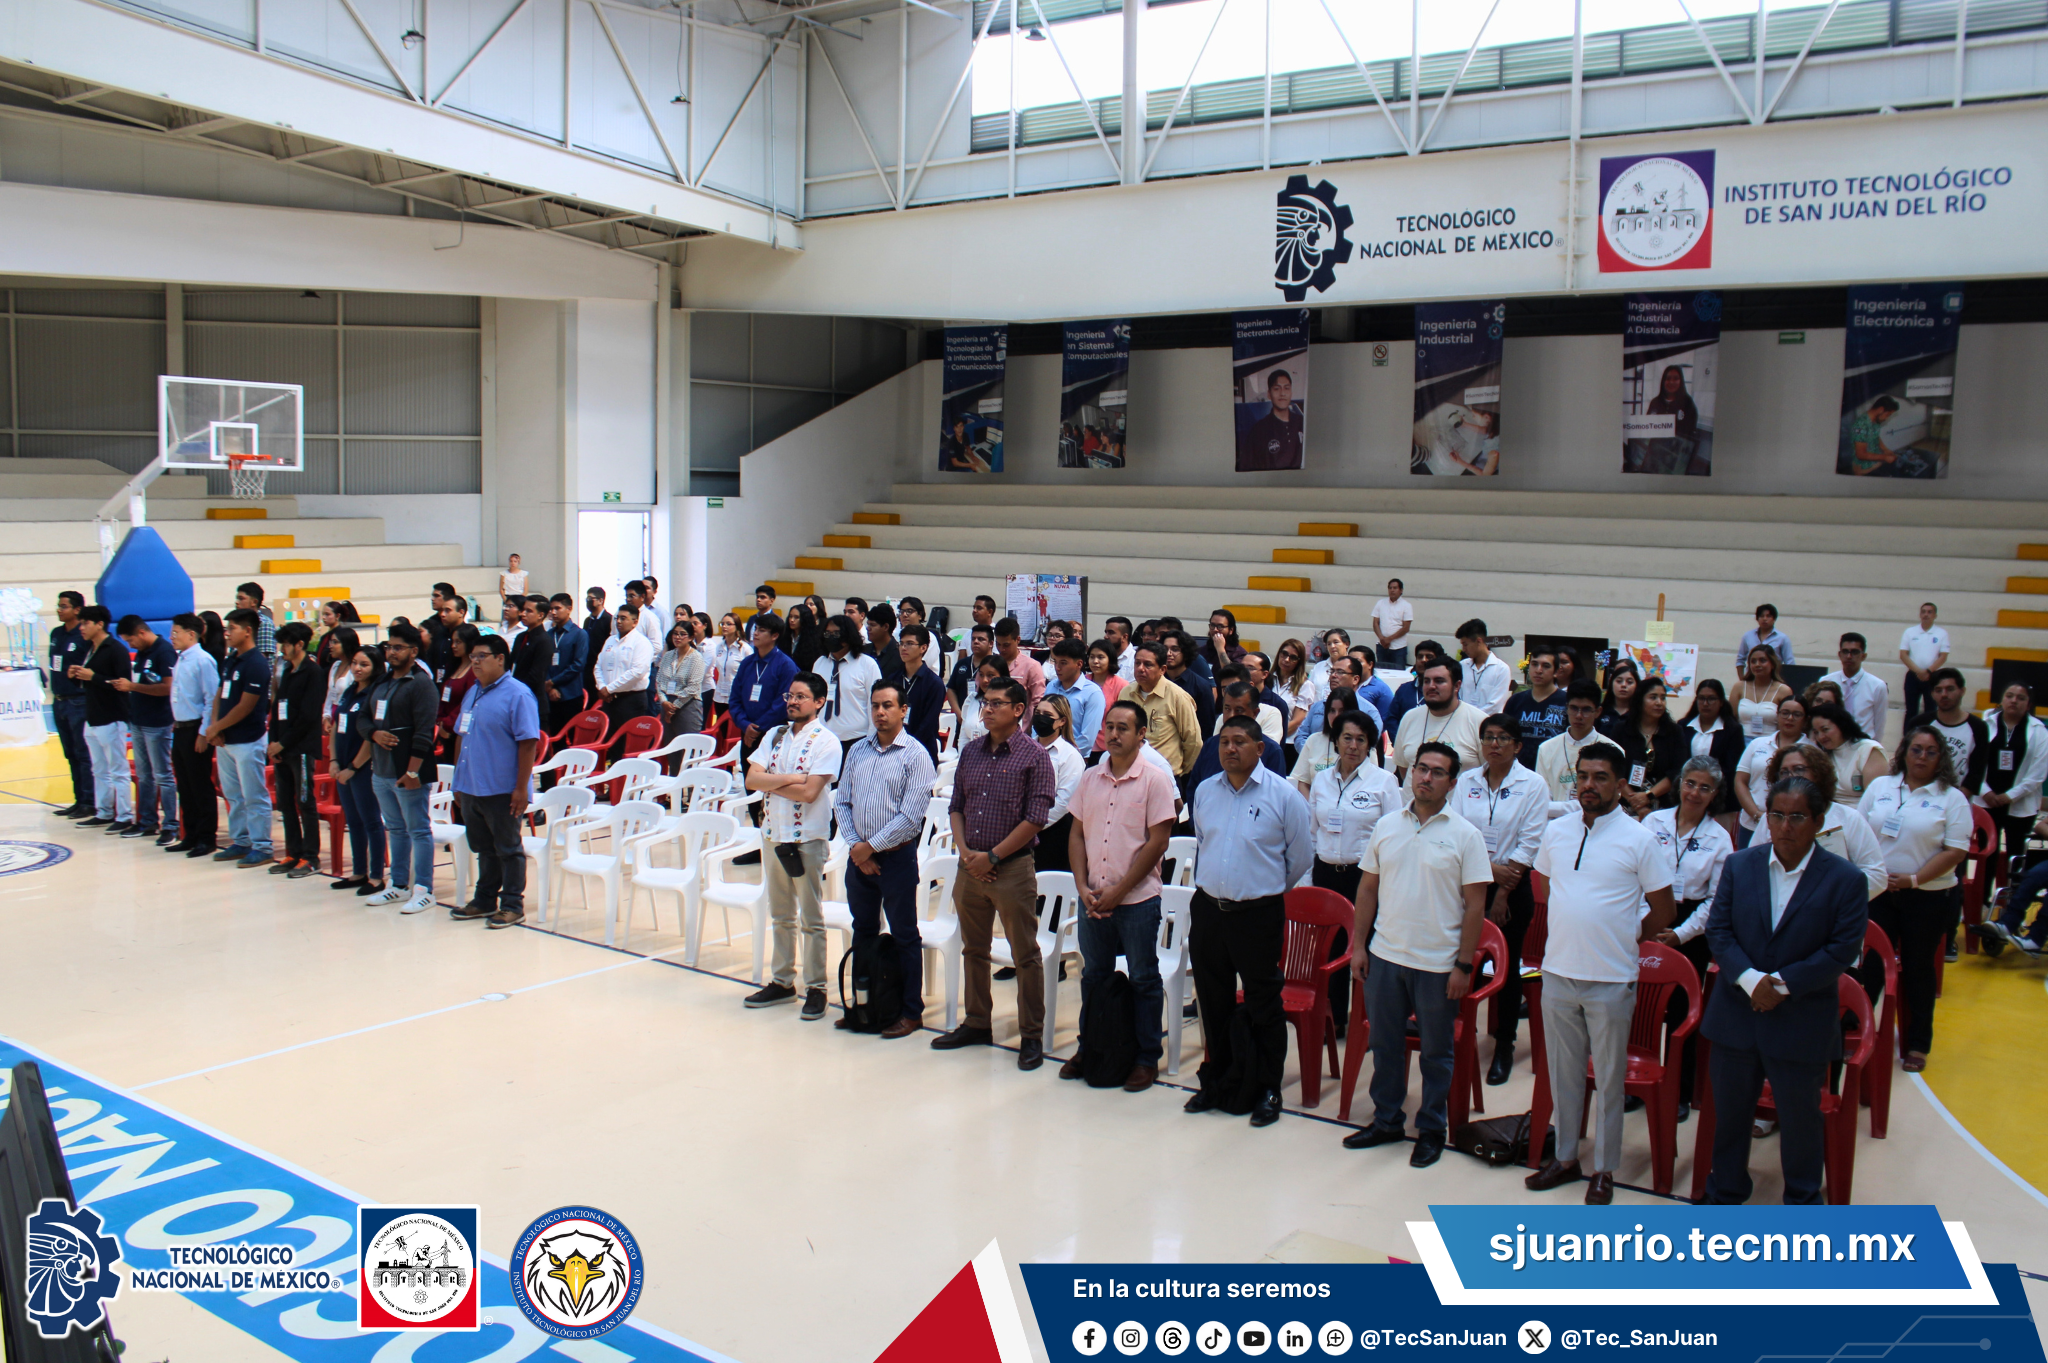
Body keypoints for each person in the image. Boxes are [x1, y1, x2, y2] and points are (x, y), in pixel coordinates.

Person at [1699, 774, 1869, 1204]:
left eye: (1797, 817)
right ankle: (1726, 1191)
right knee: (1731, 1116)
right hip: (1737, 1014)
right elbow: (1719, 931)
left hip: (1801, 1019)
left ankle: (1802, 1201)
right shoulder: (1740, 865)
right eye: (1777, 815)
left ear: (1818, 822)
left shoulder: (1846, 879)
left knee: (1800, 1120)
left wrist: (1781, 985)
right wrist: (1752, 981)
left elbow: (1841, 950)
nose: (1785, 826)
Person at [1525, 742, 1676, 1204]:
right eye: (1583, 776)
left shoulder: (1639, 839)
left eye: (1601, 777)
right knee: (1564, 1072)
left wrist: (1625, 937)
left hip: (1611, 977)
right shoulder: (1557, 831)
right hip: (1558, 972)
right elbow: (1547, 886)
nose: (1589, 785)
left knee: (1609, 1079)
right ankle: (1566, 1158)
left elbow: (1664, 909)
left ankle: (1605, 1169)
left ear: (1620, 785)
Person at [1341, 741, 1491, 1164]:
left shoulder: (1466, 836)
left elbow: (1475, 907)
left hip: (1438, 965)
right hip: (1386, 957)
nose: (1425, 777)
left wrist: (1464, 965)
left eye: (1437, 772)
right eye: (1421, 768)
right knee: (1385, 1045)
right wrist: (1359, 947)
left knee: (1436, 1054)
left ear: (1452, 783)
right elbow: (1367, 890)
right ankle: (1387, 1120)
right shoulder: (1387, 825)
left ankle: (1431, 1128)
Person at [1184, 716, 1314, 1126]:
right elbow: (1204, 843)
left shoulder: (1284, 796)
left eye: (1239, 741)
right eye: (1224, 741)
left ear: (1260, 748)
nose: (1230, 749)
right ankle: (1218, 1080)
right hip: (1209, 910)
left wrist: (1264, 888)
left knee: (1263, 1002)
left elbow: (1300, 858)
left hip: (1258, 914)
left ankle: (1268, 1087)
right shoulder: (1205, 790)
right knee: (1213, 1000)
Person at [932, 677, 1056, 1068]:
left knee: (1025, 955)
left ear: (1018, 710)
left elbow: (1035, 819)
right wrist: (968, 852)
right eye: (985, 702)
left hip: (1012, 869)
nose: (986, 709)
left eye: (996, 703)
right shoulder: (971, 751)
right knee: (974, 949)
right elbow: (956, 805)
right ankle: (977, 1022)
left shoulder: (1035, 757)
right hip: (969, 866)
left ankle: (1031, 1034)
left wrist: (993, 857)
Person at [1061, 698, 1181, 1089]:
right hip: (1093, 898)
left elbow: (1158, 842)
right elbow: (1076, 834)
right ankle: (1090, 1047)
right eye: (1109, 727)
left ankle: (1146, 1058)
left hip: (1137, 901)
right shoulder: (1090, 778)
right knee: (1093, 976)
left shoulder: (1155, 780)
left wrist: (1120, 890)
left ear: (1141, 734)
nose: (1113, 734)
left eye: (1123, 728)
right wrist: (1082, 886)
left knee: (1144, 978)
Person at [1858, 727, 1972, 1072]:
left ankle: (1918, 1044)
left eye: (1931, 751)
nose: (1922, 757)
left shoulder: (1952, 798)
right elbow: (1859, 832)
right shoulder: (1881, 787)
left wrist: (1914, 879)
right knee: (1870, 966)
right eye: (1916, 749)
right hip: (1879, 893)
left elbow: (1956, 851)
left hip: (1927, 896)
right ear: (1904, 751)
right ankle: (1857, 1029)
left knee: (1918, 968)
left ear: (1941, 759)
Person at [833, 678, 937, 1039]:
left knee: (905, 935)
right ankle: (864, 1007)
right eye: (875, 706)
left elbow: (910, 818)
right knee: (862, 931)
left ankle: (910, 1012)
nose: (880, 712)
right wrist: (856, 847)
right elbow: (841, 801)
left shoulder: (916, 755)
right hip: (859, 858)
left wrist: (870, 847)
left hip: (895, 859)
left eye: (888, 705)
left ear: (903, 710)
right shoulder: (858, 750)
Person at [1456, 714, 1550, 1084]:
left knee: (1507, 971)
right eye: (1488, 737)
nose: (1494, 744)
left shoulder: (1533, 784)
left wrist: (1503, 891)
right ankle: (1459, 1033)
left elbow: (1530, 841)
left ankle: (1504, 1044)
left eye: (1503, 738)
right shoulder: (1467, 781)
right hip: (1469, 884)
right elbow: (1458, 833)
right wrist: (1492, 871)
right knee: (1463, 962)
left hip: (1512, 888)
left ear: (1518, 745)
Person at [1645, 756, 1736, 1115]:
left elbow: (1716, 900)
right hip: (1647, 916)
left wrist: (1681, 934)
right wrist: (1645, 924)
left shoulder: (1720, 839)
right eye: (1690, 783)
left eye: (1705, 788)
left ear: (1715, 794)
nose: (1695, 793)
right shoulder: (1653, 822)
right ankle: (1637, 1081)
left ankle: (1680, 1090)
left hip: (1691, 928)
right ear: (1680, 784)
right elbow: (1632, 875)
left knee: (1683, 1011)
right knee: (1642, 1007)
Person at [444, 635, 542, 929]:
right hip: (471, 785)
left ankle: (512, 905)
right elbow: (462, 735)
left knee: (508, 849)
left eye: (481, 656)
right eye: (472, 656)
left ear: (500, 659)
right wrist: (458, 781)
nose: (475, 662)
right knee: (484, 847)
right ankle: (485, 900)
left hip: (502, 788)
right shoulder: (473, 691)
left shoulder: (518, 694)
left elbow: (528, 743)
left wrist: (521, 788)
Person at [357, 623, 439, 913]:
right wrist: (374, 734)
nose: (391, 652)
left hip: (408, 771)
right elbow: (362, 719)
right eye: (389, 647)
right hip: (381, 770)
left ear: (413, 651)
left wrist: (413, 771)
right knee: (395, 828)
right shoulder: (382, 682)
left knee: (418, 830)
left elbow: (424, 733)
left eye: (398, 647)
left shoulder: (421, 684)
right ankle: (399, 885)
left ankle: (424, 889)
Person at [1750, 744, 1888, 901]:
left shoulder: (1849, 818)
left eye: (1799, 769)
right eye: (1784, 772)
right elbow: (1752, 866)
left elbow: (1876, 876)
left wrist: (1833, 899)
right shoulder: (1770, 817)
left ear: (1818, 774)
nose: (1791, 776)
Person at [205, 608, 274, 869]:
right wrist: (215, 727)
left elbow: (245, 706)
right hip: (225, 740)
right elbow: (219, 695)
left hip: (248, 741)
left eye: (232, 628)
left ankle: (262, 846)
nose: (227, 633)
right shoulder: (231, 659)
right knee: (233, 794)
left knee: (254, 795)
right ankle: (241, 841)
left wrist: (216, 727)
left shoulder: (256, 664)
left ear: (247, 631)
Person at [328, 643, 388, 897]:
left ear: (376, 667)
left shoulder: (375, 695)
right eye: (354, 663)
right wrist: (333, 760)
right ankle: (358, 872)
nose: (357, 668)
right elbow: (335, 726)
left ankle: (376, 876)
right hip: (342, 766)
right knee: (353, 821)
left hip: (362, 768)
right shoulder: (349, 691)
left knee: (371, 821)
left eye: (364, 664)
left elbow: (371, 737)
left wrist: (354, 767)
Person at [113, 615, 179, 843]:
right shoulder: (142, 653)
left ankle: (170, 825)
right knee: (144, 776)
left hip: (157, 722)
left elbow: (168, 687)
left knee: (163, 775)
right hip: (138, 721)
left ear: (141, 633)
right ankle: (148, 821)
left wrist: (132, 686)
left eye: (130, 640)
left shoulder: (164, 651)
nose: (130, 645)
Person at [68, 605, 134, 832]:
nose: (81, 628)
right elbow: (89, 682)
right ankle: (104, 811)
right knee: (99, 769)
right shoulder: (91, 649)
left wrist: (93, 676)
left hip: (111, 717)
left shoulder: (116, 649)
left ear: (100, 624)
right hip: (93, 717)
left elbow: (123, 684)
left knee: (118, 769)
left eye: (85, 623)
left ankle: (124, 815)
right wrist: (76, 676)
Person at [267, 621, 324, 878]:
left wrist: (284, 742)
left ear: (299, 645)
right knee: (285, 803)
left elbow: (308, 716)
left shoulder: (313, 673)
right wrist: (274, 742)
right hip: (282, 748)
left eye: (286, 644)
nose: (282, 649)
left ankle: (311, 857)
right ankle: (293, 852)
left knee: (305, 802)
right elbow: (277, 708)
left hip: (300, 748)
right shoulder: (288, 671)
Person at [165, 614, 219, 857]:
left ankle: (207, 838)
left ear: (191, 634)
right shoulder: (181, 659)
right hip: (180, 727)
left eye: (176, 633)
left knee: (200, 785)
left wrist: (203, 733)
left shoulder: (203, 660)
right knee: (185, 785)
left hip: (196, 729)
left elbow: (211, 699)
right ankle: (191, 834)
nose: (172, 637)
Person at [1977, 682, 2048, 859]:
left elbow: (2037, 774)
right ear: (2002, 700)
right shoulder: (1984, 725)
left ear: (2029, 705)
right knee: (1986, 856)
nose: (2014, 700)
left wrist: (2009, 796)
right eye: (2009, 696)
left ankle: (2012, 879)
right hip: (1986, 801)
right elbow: (1972, 762)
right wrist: (1986, 792)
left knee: (2015, 857)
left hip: (2021, 805)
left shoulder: (2039, 731)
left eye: (2020, 698)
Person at [1393, 656, 1485, 790]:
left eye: (1439, 681)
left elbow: (1490, 771)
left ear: (1457, 686)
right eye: (1426, 681)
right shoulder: (1410, 717)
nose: (1431, 686)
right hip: (1412, 802)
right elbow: (1403, 767)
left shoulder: (1479, 721)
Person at [45, 590, 94, 816]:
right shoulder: (56, 633)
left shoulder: (83, 634)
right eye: (59, 605)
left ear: (77, 609)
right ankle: (78, 799)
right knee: (70, 753)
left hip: (78, 701)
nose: (59, 609)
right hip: (59, 700)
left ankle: (89, 801)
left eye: (63, 606)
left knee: (83, 753)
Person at [1736, 695, 1809, 843]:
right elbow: (1740, 781)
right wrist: (1756, 814)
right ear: (1777, 715)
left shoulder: (1811, 750)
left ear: (1806, 719)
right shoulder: (1757, 744)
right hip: (1751, 823)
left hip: (1792, 827)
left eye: (1796, 714)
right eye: (1785, 713)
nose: (1790, 718)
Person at [1030, 694, 1087, 874]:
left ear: (1062, 721)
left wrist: (1031, 826)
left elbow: (1064, 802)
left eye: (1047, 715)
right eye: (1038, 713)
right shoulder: (1026, 748)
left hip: (1054, 832)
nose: (1041, 718)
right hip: (1021, 829)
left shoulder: (1070, 756)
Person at [1129, 642, 1201, 779]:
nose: (1140, 669)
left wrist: (1181, 772)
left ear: (1162, 669)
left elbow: (1193, 741)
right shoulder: (1126, 693)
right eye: (1137, 663)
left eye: (1148, 665)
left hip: (1166, 776)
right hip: (1130, 774)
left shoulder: (1178, 697)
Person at [1620, 676, 1690, 816]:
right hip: (1626, 803)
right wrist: (1637, 804)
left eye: (1663, 698)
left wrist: (1649, 796)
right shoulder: (1622, 729)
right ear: (1640, 700)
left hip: (1663, 804)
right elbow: (1613, 769)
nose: (1659, 703)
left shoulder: (1674, 731)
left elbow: (1678, 770)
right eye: (1653, 697)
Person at [1681, 679, 1747, 828]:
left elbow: (1731, 768)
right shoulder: (1683, 726)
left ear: (1721, 702)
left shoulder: (1733, 730)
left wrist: (1709, 790)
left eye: (1711, 699)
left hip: (1721, 800)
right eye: (1702, 698)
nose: (1706, 703)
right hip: (1688, 796)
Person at [1905, 667, 1983, 790]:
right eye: (1938, 690)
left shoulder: (1978, 727)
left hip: (1958, 796)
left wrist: (1956, 799)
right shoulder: (1919, 723)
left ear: (1962, 691)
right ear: (1932, 694)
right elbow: (1906, 761)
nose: (1944, 695)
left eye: (1950, 689)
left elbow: (1976, 773)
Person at [1535, 681, 1606, 816]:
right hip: (1556, 824)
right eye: (1574, 708)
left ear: (1598, 712)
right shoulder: (1546, 749)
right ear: (1566, 708)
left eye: (1586, 710)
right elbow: (1541, 802)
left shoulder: (1612, 750)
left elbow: (1605, 801)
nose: (1579, 715)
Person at [814, 614, 881, 755]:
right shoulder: (820, 663)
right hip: (822, 739)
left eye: (836, 634)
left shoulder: (867, 664)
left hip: (856, 739)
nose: (831, 637)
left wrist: (872, 739)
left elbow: (875, 702)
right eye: (827, 633)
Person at [1808, 702, 1886, 807]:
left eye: (1825, 729)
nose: (1821, 737)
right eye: (1816, 732)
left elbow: (1875, 798)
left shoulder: (1868, 750)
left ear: (1841, 725)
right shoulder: (1823, 755)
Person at [1504, 647, 1569, 769]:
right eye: (1534, 664)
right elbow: (1505, 736)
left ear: (1556, 671)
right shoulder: (1515, 701)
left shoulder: (1566, 702)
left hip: (1555, 768)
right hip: (1519, 769)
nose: (1539, 670)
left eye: (1546, 666)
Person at [592, 605, 654, 729]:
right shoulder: (610, 640)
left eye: (623, 618)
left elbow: (637, 672)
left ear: (634, 622)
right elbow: (598, 666)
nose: (619, 621)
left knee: (628, 738)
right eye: (617, 618)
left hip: (630, 700)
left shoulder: (641, 642)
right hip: (609, 699)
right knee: (609, 737)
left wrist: (609, 689)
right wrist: (602, 687)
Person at [1821, 633, 1889, 745]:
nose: (1849, 656)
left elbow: (1879, 723)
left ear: (1863, 656)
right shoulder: (1826, 682)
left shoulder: (1877, 686)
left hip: (1862, 743)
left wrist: (1874, 746)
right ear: (1839, 654)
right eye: (1845, 651)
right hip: (1832, 743)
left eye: (1854, 652)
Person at [1041, 638, 1105, 752]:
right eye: (1055, 661)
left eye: (1063, 663)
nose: (1057, 667)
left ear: (1079, 664)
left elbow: (1087, 739)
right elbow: (1039, 721)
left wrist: (1061, 753)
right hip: (1044, 751)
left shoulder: (1093, 693)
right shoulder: (1051, 686)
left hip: (1074, 756)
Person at [894, 625, 946, 761]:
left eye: (909, 643)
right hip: (893, 748)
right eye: (901, 643)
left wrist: (908, 747)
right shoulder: (893, 679)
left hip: (922, 751)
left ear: (923, 648)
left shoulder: (934, 683)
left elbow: (929, 723)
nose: (903, 648)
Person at [1236, 368, 1304, 470]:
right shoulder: (1259, 430)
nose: (1282, 393)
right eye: (1277, 389)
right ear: (1269, 394)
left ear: (1291, 392)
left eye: (1286, 388)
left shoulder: (1303, 423)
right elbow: (1246, 467)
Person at [542, 594, 589, 733]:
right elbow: (543, 662)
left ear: (569, 609)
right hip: (550, 693)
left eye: (557, 608)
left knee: (572, 736)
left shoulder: (579, 634)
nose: (553, 612)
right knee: (554, 735)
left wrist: (553, 682)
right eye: (551, 609)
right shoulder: (549, 634)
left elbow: (578, 664)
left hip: (571, 694)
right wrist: (549, 686)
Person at [1385, 639, 1447, 742]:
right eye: (1420, 657)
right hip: (1406, 745)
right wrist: (1399, 742)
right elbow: (1392, 719)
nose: (1423, 660)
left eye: (1429, 657)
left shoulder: (1444, 691)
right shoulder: (1404, 690)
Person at [654, 620, 706, 741]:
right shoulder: (668, 655)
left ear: (691, 637)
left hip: (687, 705)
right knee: (669, 746)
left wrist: (674, 706)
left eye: (682, 634)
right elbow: (660, 681)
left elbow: (693, 687)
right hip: (667, 704)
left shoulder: (696, 658)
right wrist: (664, 702)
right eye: (675, 633)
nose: (678, 637)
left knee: (687, 746)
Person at [1898, 603, 1950, 722]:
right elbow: (1903, 654)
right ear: (1920, 614)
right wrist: (1918, 671)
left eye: (1929, 612)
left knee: (1931, 711)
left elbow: (1943, 656)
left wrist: (1928, 671)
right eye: (1923, 611)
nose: (1926, 614)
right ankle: (1909, 733)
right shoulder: (1910, 632)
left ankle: (1929, 733)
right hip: (1913, 676)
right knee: (1911, 711)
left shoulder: (1942, 633)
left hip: (1932, 677)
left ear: (1935, 615)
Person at [435, 624, 480, 752]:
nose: (453, 646)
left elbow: (468, 702)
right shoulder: (452, 666)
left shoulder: (474, 671)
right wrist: (440, 720)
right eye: (453, 641)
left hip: (459, 729)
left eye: (458, 642)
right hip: (443, 727)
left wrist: (448, 723)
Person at [1735, 644, 1793, 742]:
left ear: (1773, 664)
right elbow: (1731, 719)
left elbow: (1786, 723)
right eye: (1753, 661)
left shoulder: (1784, 691)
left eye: (1762, 660)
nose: (1757, 664)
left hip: (1770, 742)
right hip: (1741, 741)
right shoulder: (1739, 687)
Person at [508, 595, 553, 715]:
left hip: (532, 700)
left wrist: (514, 689)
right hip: (514, 695)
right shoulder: (520, 637)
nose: (523, 614)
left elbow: (536, 676)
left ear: (540, 615)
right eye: (523, 610)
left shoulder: (544, 641)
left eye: (529, 611)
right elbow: (511, 664)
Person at [1456, 619, 1511, 715]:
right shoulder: (1462, 666)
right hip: (1462, 720)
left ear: (1479, 641)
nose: (1463, 649)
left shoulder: (1501, 669)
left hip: (1488, 721)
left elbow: (1495, 705)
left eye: (1465, 644)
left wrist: (1471, 717)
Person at [990, 616, 1046, 710]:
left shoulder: (1031, 666)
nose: (1001, 649)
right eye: (998, 644)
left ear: (1018, 640)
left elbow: (1038, 701)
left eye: (1006, 645)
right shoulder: (992, 663)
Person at [1737, 604, 1795, 676]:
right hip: (1752, 677)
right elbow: (1740, 660)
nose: (1765, 619)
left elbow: (1790, 663)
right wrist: (1742, 680)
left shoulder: (1782, 638)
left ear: (1774, 619)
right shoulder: (1748, 636)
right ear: (1757, 619)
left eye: (1768, 616)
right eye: (1761, 616)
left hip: (1773, 678)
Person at [1596, 659, 1639, 744]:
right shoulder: (1600, 711)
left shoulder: (1641, 713)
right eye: (1619, 681)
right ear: (1611, 683)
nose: (1623, 685)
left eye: (1629, 682)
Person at [235, 582, 277, 670]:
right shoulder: (238, 623)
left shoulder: (264, 623)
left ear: (254, 602)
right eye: (237, 598)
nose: (236, 602)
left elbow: (262, 657)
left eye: (241, 599)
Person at [1372, 579, 1413, 667]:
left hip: (1398, 647)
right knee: (1381, 670)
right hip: (1381, 645)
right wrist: (1382, 639)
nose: (1392, 590)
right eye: (1390, 588)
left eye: (1395, 588)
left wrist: (1389, 639)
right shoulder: (1380, 603)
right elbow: (1375, 623)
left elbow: (1406, 628)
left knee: (1398, 671)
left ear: (1401, 590)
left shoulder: (1406, 606)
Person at [581, 587, 612, 697]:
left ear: (600, 600)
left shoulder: (608, 620)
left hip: (601, 666)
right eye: (587, 599)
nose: (588, 602)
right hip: (588, 666)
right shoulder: (588, 621)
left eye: (591, 599)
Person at [497, 552, 528, 626]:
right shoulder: (504, 573)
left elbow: (526, 589)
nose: (513, 563)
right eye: (511, 561)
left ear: (518, 562)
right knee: (506, 619)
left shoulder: (523, 574)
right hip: (508, 596)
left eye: (515, 561)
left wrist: (521, 600)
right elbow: (501, 588)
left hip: (519, 597)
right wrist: (505, 599)